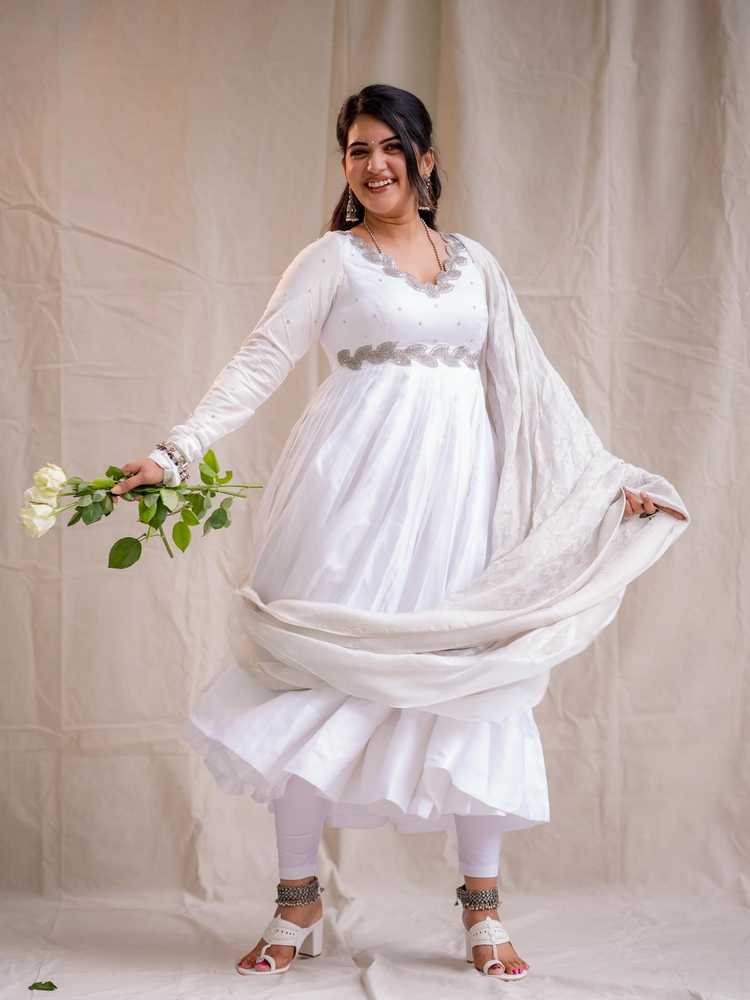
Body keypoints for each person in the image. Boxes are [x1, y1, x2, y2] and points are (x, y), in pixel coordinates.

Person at [112, 84, 689, 980]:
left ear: (424, 158)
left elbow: (534, 387)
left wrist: (609, 488)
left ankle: (483, 911)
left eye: (389, 146)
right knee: (310, 681)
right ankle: (297, 901)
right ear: (344, 165)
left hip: (458, 504)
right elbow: (261, 359)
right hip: (347, 496)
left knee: (473, 681)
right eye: (356, 149)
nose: (373, 163)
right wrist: (175, 452)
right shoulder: (330, 261)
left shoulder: (477, 265)